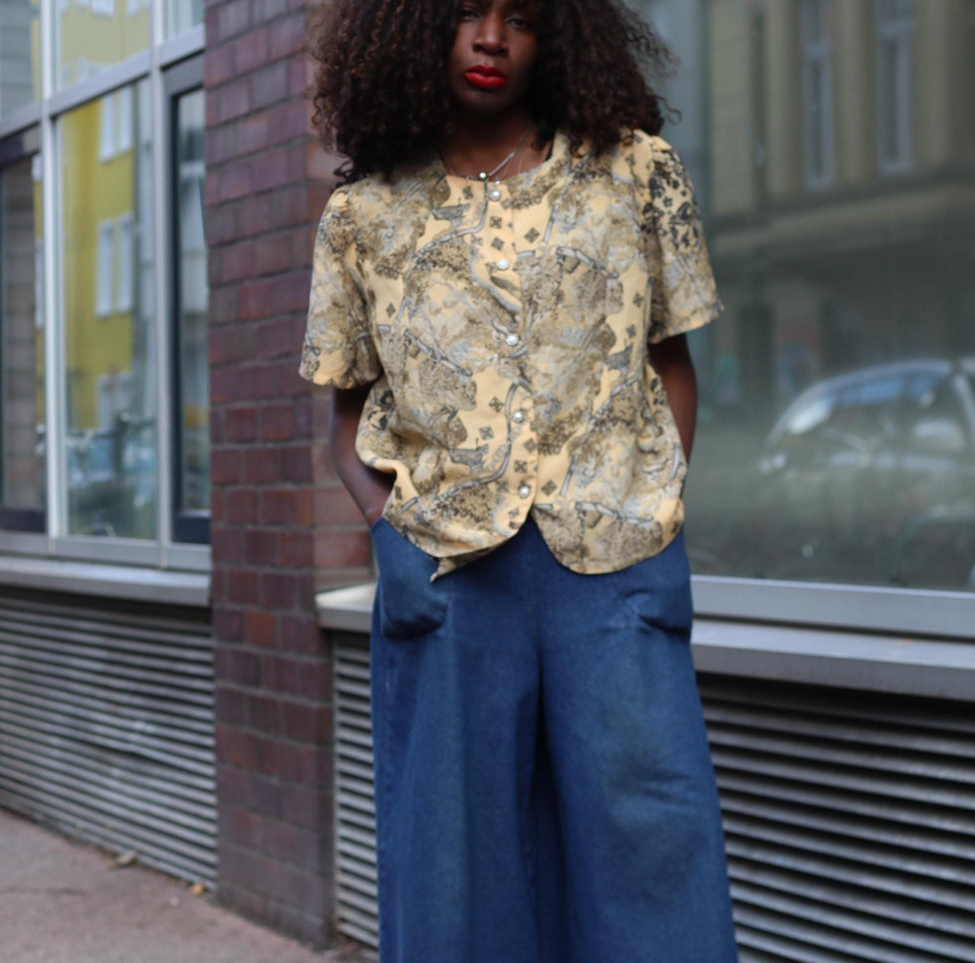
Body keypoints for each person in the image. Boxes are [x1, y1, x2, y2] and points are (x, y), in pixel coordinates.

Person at [302, 1, 738, 960]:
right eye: (464, 12)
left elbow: (670, 364)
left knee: (648, 846)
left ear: (563, 36)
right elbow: (345, 419)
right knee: (454, 864)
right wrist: (390, 533)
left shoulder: (634, 172)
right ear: (414, 30)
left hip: (613, 565)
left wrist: (652, 508)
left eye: (523, 17)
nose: (491, 37)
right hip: (449, 575)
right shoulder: (363, 215)